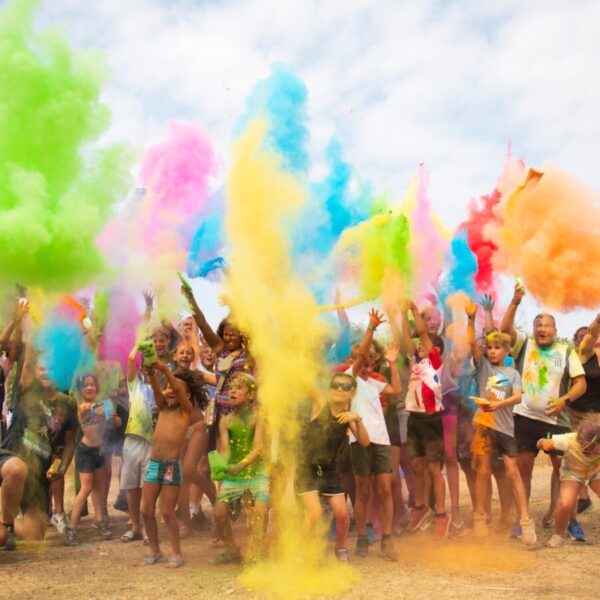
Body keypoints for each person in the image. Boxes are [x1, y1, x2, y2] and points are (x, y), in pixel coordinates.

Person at [500, 282, 587, 538]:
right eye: (538, 325)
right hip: (524, 418)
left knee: (564, 472)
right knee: (523, 470)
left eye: (547, 326)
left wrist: (564, 400)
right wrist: (515, 301)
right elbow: (504, 330)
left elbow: (581, 383)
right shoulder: (524, 344)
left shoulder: (566, 350)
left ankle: (569, 520)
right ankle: (522, 520)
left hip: (557, 420)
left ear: (555, 330)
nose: (542, 329)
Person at [465, 300, 536, 544]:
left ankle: (525, 521)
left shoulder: (512, 373)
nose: (493, 351)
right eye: (490, 347)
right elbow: (472, 344)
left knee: (512, 473)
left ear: (506, 352)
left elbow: (517, 397)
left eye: (498, 348)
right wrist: (471, 320)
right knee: (482, 471)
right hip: (485, 428)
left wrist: (497, 405)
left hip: (505, 428)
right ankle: (480, 518)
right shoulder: (483, 367)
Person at [1, 332, 77, 543]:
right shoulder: (28, 389)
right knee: (17, 470)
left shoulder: (68, 404)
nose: (46, 372)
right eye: (42, 368)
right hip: (10, 458)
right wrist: (35, 322)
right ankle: (4, 525)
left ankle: (9, 530)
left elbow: (70, 441)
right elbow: (28, 361)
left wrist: (61, 469)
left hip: (39, 475)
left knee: (35, 534)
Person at [296, 373, 369, 561]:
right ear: (329, 390)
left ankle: (341, 548)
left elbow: (365, 442)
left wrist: (357, 419)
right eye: (336, 385)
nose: (339, 389)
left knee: (343, 515)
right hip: (308, 469)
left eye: (345, 387)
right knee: (315, 513)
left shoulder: (348, 417)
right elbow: (306, 381)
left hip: (329, 471)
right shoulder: (321, 404)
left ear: (352, 393)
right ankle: (302, 552)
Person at [349, 309, 402, 560]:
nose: (367, 368)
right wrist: (371, 328)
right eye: (364, 363)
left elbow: (397, 389)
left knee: (385, 489)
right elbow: (360, 354)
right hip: (359, 440)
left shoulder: (374, 383)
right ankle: (361, 537)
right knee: (364, 490)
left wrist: (392, 363)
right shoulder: (349, 378)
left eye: (371, 364)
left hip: (381, 439)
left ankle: (387, 539)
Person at [140, 361, 198, 568]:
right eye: (169, 388)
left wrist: (164, 369)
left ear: (187, 395)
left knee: (166, 512)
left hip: (171, 466)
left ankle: (176, 553)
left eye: (176, 389)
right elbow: (157, 389)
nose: (170, 391)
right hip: (154, 464)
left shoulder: (186, 411)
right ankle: (155, 551)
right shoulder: (163, 408)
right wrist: (152, 374)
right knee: (146, 510)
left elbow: (177, 391)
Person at [401, 301, 449, 539]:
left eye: (426, 345)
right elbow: (409, 338)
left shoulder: (435, 364)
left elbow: (421, 333)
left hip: (431, 420)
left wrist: (412, 309)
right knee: (417, 466)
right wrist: (401, 312)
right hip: (414, 420)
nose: (421, 346)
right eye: (420, 345)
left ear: (435, 351)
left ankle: (441, 514)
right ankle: (420, 508)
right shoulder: (416, 364)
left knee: (433, 470)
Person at [211, 373, 268, 565]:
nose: (232, 391)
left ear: (251, 395)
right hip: (234, 475)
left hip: (257, 473)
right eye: (230, 388)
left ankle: (257, 551)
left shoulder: (259, 417)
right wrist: (220, 466)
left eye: (238, 388)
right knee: (219, 513)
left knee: (260, 510)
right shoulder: (225, 421)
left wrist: (242, 464)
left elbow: (259, 447)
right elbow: (226, 449)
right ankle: (232, 550)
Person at [65, 374, 120, 545]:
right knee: (86, 488)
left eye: (92, 385)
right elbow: (91, 409)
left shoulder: (103, 406)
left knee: (98, 488)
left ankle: (99, 520)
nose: (89, 388)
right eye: (86, 385)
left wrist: (115, 418)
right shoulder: (82, 407)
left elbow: (117, 423)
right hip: (86, 451)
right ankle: (71, 528)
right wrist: (110, 402)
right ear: (81, 390)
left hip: (100, 451)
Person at [538, 416, 600, 547]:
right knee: (565, 503)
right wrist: (543, 442)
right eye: (583, 449)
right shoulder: (568, 440)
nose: (586, 452)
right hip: (573, 472)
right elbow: (539, 442)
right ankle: (558, 535)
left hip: (596, 471)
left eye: (591, 450)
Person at [119, 344, 157, 543]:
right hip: (132, 440)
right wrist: (141, 340)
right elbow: (131, 359)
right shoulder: (135, 386)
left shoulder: (162, 388)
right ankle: (134, 525)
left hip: (152, 443)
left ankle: (149, 528)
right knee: (131, 486)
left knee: (147, 486)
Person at [570, 315, 600, 517]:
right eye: (579, 336)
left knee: (594, 460)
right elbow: (591, 335)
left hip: (596, 415)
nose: (584, 338)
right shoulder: (581, 354)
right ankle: (582, 498)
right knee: (577, 458)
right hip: (575, 413)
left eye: (586, 335)